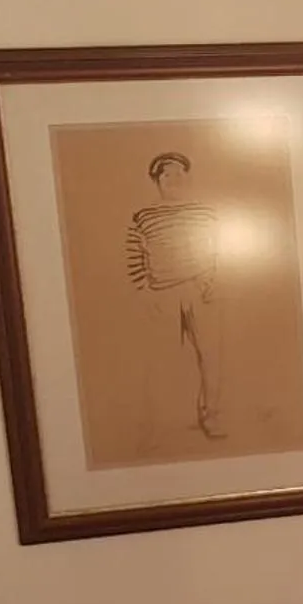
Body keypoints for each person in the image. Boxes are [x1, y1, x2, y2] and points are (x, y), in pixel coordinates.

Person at [125, 151, 224, 440]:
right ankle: (163, 424)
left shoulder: (206, 213)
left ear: (187, 177)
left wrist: (212, 283)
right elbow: (134, 255)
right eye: (166, 174)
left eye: (179, 173)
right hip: (163, 293)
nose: (174, 179)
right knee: (163, 358)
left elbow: (219, 250)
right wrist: (145, 292)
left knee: (209, 355)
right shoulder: (143, 216)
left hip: (200, 292)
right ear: (157, 180)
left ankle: (211, 417)